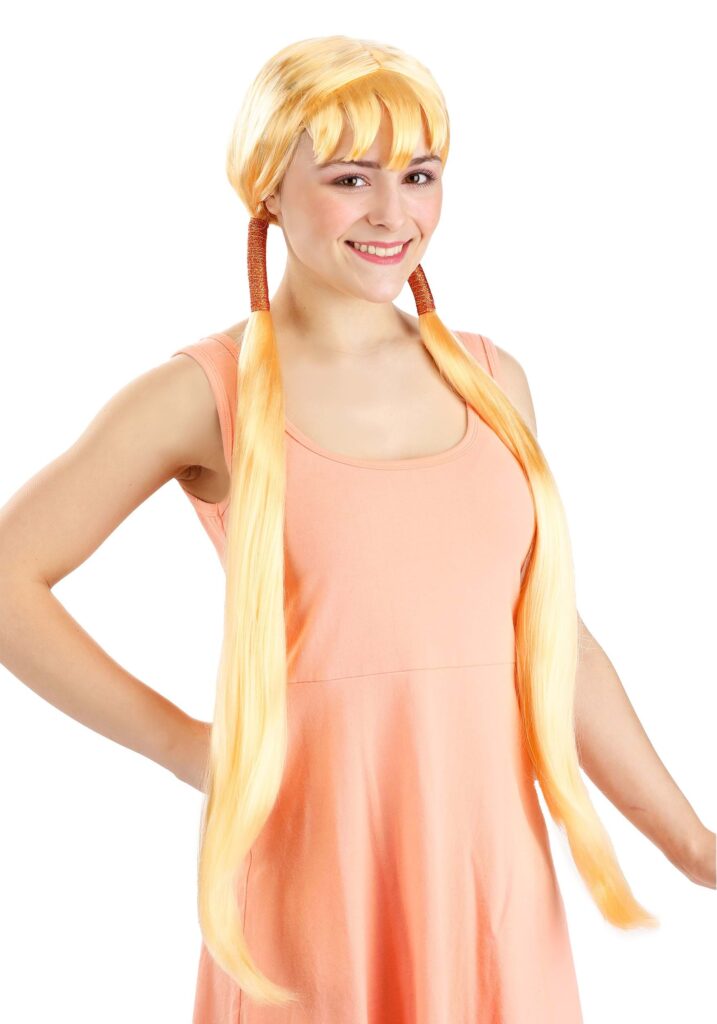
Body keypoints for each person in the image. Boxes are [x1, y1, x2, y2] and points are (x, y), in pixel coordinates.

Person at [0, 33, 713, 1024]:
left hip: (488, 878)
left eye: (419, 175)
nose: (392, 213)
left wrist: (693, 845)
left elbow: (555, 643)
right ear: (268, 187)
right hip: (316, 868)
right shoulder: (203, 395)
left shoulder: (494, 382)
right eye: (349, 178)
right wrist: (189, 748)